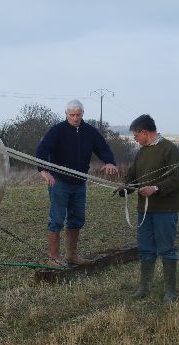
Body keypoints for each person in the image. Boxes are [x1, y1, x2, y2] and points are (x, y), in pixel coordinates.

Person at [36, 99, 118, 267]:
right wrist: (43, 171)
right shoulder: (57, 131)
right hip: (59, 181)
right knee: (57, 219)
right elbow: (42, 150)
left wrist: (109, 161)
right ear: (66, 114)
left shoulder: (90, 132)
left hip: (79, 182)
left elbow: (103, 148)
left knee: (77, 219)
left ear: (82, 114)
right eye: (72, 115)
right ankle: (53, 258)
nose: (75, 118)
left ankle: (71, 255)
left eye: (78, 115)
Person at [118, 114, 179, 303]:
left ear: (145, 132)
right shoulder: (141, 152)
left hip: (165, 210)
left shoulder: (170, 149)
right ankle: (144, 288)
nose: (135, 139)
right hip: (144, 210)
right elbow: (132, 177)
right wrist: (125, 187)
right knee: (146, 249)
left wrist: (154, 188)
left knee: (167, 249)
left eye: (136, 135)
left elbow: (174, 180)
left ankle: (171, 291)